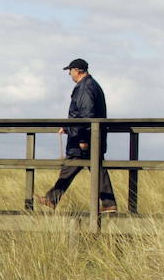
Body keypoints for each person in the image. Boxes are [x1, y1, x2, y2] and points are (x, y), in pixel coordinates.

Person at [36, 58, 117, 214]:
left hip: (85, 138)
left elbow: (87, 115)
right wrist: (68, 127)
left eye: (70, 70)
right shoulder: (90, 85)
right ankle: (108, 204)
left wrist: (82, 139)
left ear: (78, 70)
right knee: (87, 167)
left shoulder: (85, 87)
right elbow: (82, 115)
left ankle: (108, 203)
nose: (69, 74)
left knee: (87, 166)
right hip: (88, 136)